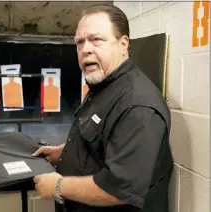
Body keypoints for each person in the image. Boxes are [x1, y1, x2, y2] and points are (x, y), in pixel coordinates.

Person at [32, 4, 174, 212]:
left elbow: (117, 188)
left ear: (123, 44)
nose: (85, 49)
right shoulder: (105, 85)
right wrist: (65, 151)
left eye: (96, 39)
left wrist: (58, 186)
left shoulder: (138, 106)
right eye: (79, 42)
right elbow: (105, 139)